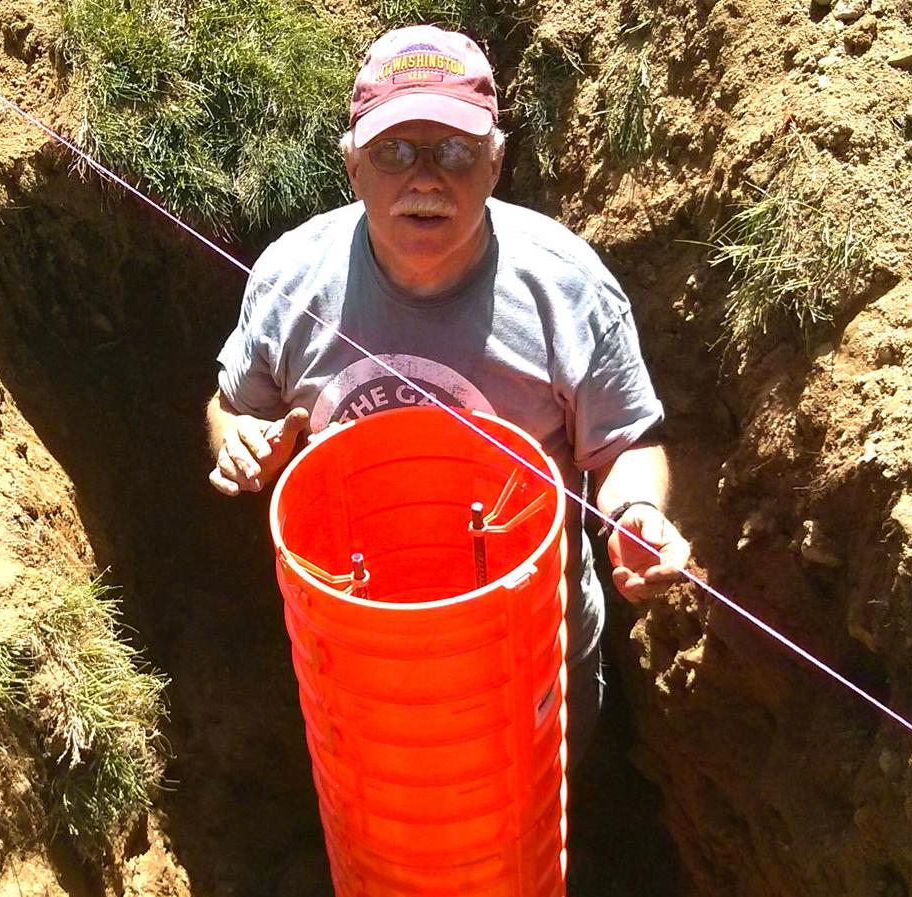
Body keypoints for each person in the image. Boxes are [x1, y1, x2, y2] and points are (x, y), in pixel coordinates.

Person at [205, 23, 690, 760]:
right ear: (352, 165)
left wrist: (638, 512)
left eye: (455, 151)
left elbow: (626, 444)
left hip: (532, 656)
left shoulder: (568, 288)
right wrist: (239, 442)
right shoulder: (289, 277)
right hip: (357, 660)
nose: (425, 178)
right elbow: (233, 404)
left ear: (496, 163)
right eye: (394, 152)